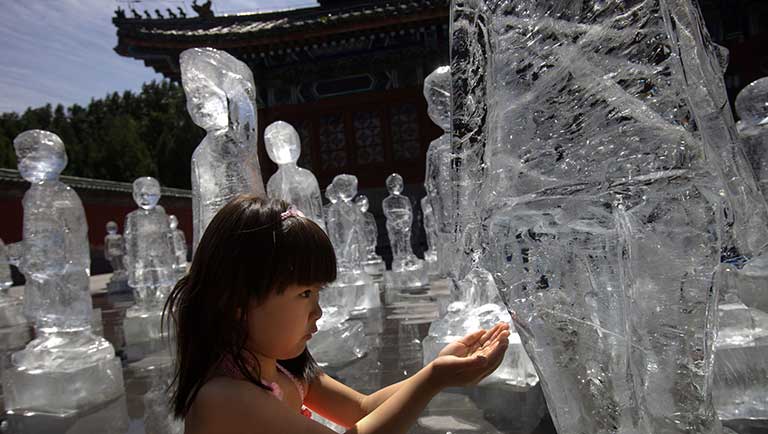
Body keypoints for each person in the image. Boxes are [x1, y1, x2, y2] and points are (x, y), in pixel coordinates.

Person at [164, 195, 511, 434]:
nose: (318, 311)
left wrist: (436, 371)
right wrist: (434, 379)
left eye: (318, 292)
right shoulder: (224, 398)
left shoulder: (285, 370)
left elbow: (363, 409)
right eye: (304, 293)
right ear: (237, 303)